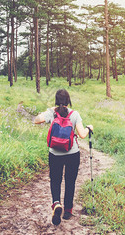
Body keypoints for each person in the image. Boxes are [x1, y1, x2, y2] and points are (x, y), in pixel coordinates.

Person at [34, 89, 93, 226]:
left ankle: (56, 204)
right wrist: (89, 128)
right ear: (68, 100)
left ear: (56, 100)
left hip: (55, 153)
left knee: (55, 180)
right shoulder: (75, 114)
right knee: (70, 181)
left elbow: (36, 120)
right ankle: (67, 211)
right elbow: (82, 135)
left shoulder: (52, 113)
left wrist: (47, 111)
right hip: (72, 153)